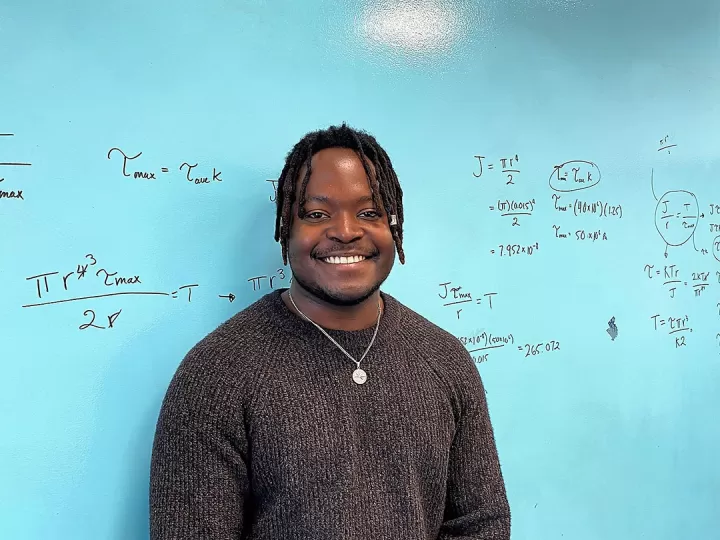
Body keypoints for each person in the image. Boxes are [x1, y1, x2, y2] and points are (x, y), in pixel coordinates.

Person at [149, 123, 511, 539]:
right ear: (287, 227)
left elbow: (480, 524)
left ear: (394, 225)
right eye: (317, 213)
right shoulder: (216, 373)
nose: (345, 231)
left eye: (369, 212)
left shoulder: (444, 359)